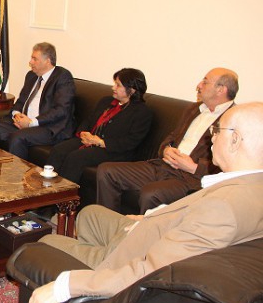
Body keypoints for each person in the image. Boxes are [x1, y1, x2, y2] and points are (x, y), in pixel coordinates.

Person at [29, 102, 263, 303]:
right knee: (90, 214)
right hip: (150, 231)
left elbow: (150, 270)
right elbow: (193, 221)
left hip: (130, 259)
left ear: (235, 140)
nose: (212, 137)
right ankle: (91, 252)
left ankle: (94, 264)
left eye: (217, 130)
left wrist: (65, 287)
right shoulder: (249, 187)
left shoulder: (222, 208)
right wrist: (149, 217)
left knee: (46, 242)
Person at [96, 68, 239, 213]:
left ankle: (142, 228)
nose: (199, 85)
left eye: (205, 82)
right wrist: (166, 149)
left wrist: (194, 167)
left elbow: (232, 162)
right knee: (106, 171)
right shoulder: (194, 109)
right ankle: (107, 223)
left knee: (151, 194)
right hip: (164, 165)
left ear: (221, 89)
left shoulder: (235, 119)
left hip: (190, 177)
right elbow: (172, 136)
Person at [46, 68, 153, 183]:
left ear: (131, 90)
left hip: (113, 150)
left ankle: (65, 192)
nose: (113, 88)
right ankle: (46, 187)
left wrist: (101, 142)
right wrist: (83, 133)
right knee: (58, 150)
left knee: (76, 157)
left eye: (118, 85)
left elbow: (131, 141)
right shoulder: (106, 101)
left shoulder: (142, 112)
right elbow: (88, 120)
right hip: (90, 140)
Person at [0, 42, 75, 160]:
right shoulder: (31, 76)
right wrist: (17, 115)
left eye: (35, 59)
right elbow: (20, 101)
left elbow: (61, 110)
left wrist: (31, 122)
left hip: (48, 127)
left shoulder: (63, 77)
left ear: (47, 61)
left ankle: (15, 172)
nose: (30, 62)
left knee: (17, 138)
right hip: (23, 122)